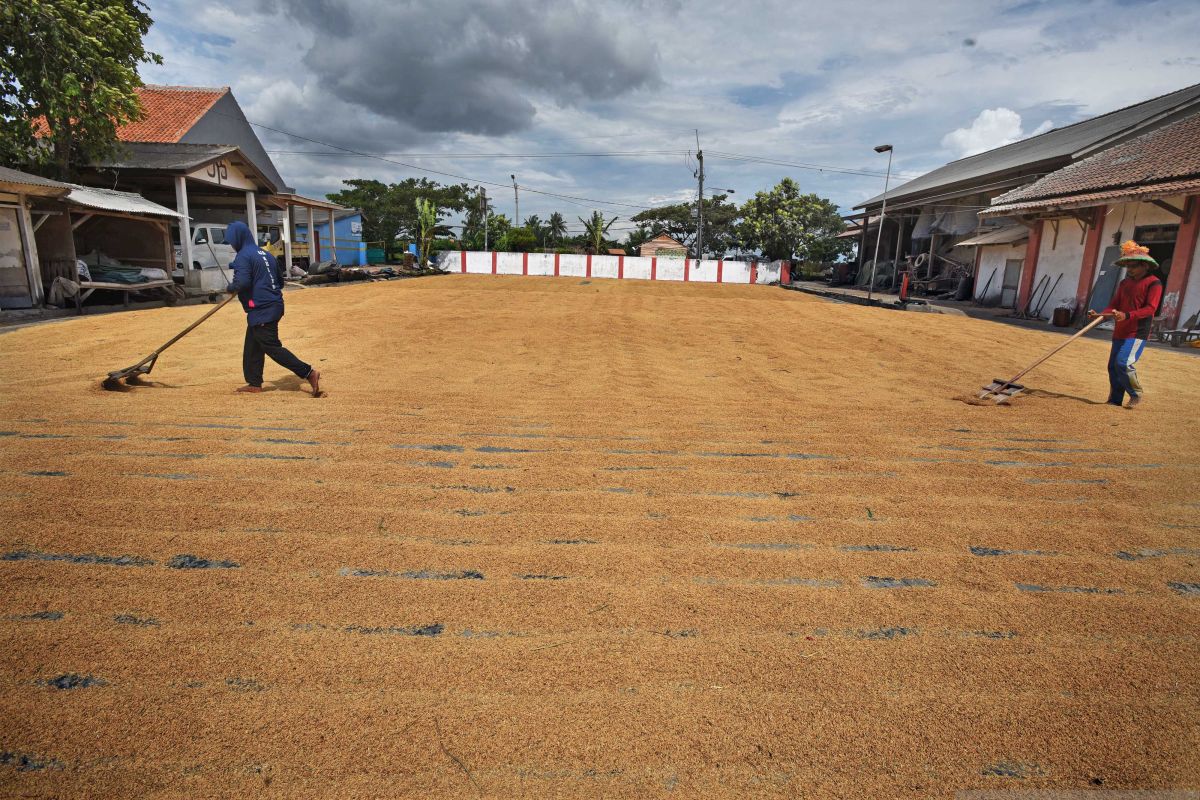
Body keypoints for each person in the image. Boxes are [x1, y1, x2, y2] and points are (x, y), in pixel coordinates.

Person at [225, 221, 322, 396]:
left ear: (238, 238)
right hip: (273, 305)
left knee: (271, 346)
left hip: (262, 309)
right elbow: (280, 282)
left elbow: (243, 282)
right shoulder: (265, 253)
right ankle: (254, 383)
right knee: (253, 345)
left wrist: (231, 287)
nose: (231, 244)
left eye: (231, 240)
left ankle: (308, 372)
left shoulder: (243, 256)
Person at [1087, 240, 1162, 408]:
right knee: (1113, 366)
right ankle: (1114, 400)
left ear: (1145, 266)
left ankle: (1135, 394)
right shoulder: (1124, 283)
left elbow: (1150, 309)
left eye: (1134, 266)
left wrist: (1127, 315)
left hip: (1136, 333)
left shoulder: (1153, 283)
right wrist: (1100, 315)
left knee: (1122, 363)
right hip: (1120, 331)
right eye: (1128, 266)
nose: (1130, 269)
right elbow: (1114, 304)